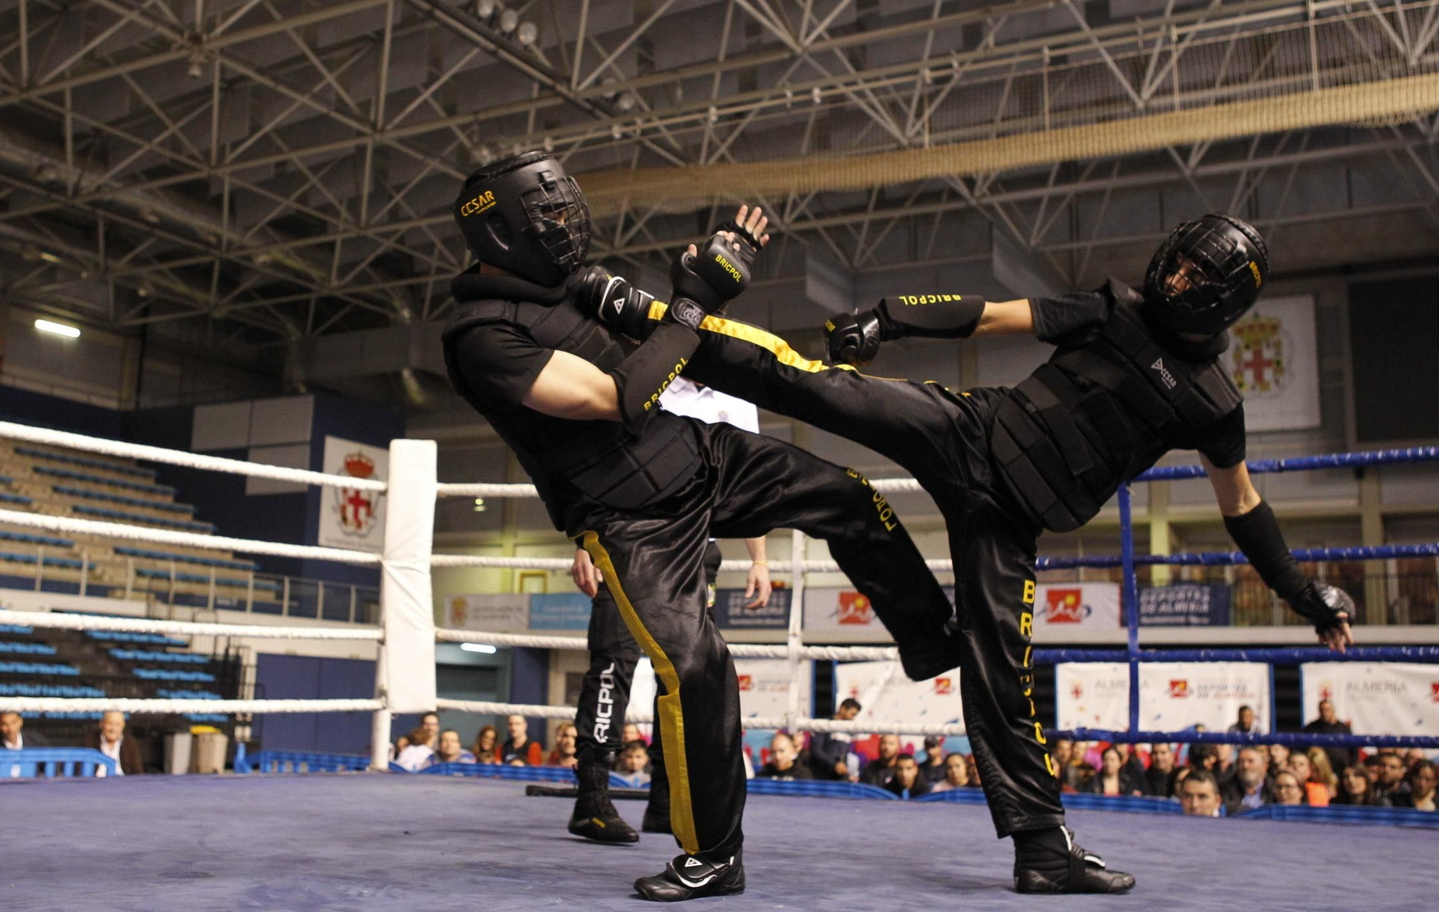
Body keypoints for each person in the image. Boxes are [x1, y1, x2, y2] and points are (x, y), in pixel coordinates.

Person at [576, 211, 1357, 894]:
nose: (1177, 277)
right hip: (969, 429)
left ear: (1224, 297)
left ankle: (1043, 852)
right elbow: (991, 314)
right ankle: (648, 316)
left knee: (1000, 675)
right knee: (815, 383)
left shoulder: (1215, 403)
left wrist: (1302, 591)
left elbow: (1241, 503)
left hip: (1011, 518)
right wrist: (886, 319)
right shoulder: (1115, 306)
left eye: (1196, 276)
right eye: (1178, 261)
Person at [444, 154, 952, 902]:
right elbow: (621, 395)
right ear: (501, 231)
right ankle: (713, 855)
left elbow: (670, 330)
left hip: (700, 453)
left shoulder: (576, 283)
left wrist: (708, 275)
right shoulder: (482, 335)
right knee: (697, 668)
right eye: (546, 214)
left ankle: (933, 638)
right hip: (632, 517)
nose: (563, 225)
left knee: (849, 496)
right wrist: (694, 300)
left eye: (562, 209)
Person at [565, 374, 771, 842]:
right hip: (628, 541)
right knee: (612, 663)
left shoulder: (738, 398)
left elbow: (747, 483)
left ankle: (665, 800)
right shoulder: (642, 378)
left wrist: (759, 559)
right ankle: (591, 798)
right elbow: (598, 461)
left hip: (698, 550)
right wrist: (583, 541)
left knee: (684, 674)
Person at [808, 699, 861, 781]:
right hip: (821, 777)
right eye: (852, 714)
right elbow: (816, 751)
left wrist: (846, 775)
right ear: (843, 709)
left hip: (839, 779)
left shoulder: (848, 731)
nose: (852, 718)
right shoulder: (824, 725)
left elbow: (844, 756)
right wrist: (834, 764)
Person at [1219, 746, 1274, 815]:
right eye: (1241, 762)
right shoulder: (1225, 790)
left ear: (1264, 766)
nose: (1245, 766)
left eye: (1250, 761)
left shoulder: (1274, 790)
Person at [1302, 699, 1352, 773]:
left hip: (1340, 768)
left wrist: (1351, 766)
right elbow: (1303, 747)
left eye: (1327, 710)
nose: (1324, 713)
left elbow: (1352, 749)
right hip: (1318, 769)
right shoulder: (1311, 728)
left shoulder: (1343, 728)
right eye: (1322, 710)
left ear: (1333, 710)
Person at [91, 710, 143, 776]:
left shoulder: (130, 744)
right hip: (96, 781)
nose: (113, 729)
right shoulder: (89, 742)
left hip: (122, 781)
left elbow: (137, 773)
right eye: (110, 724)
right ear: (102, 723)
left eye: (117, 724)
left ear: (123, 726)